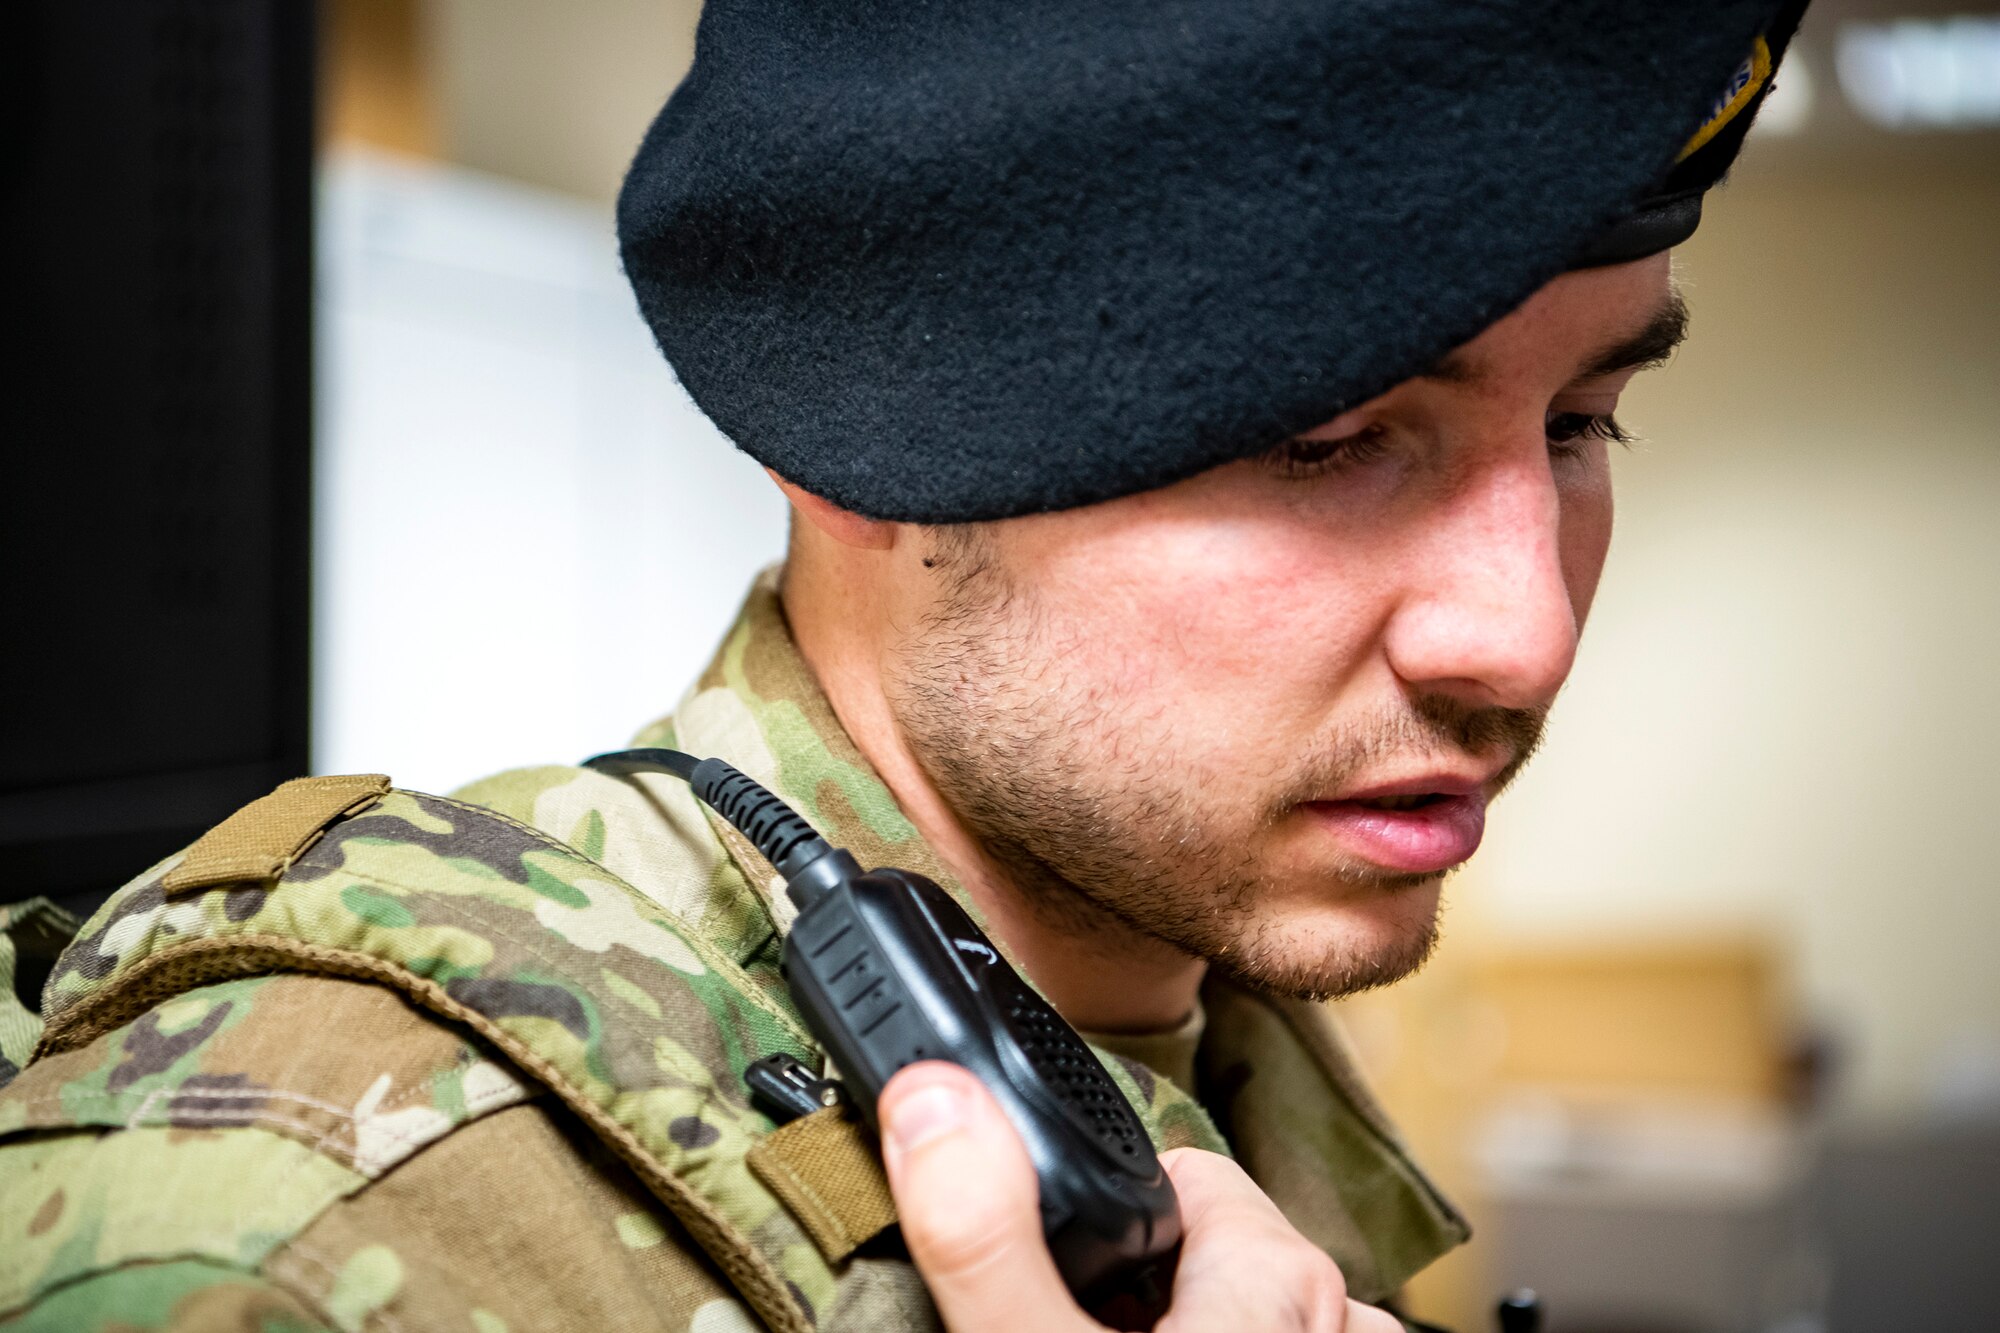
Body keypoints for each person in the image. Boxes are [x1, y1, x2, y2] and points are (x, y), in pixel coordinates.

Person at [0, 3, 1807, 1330]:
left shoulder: (1216, 1042)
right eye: (1327, 443)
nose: (1525, 633)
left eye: (1585, 424)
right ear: (873, 445)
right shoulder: (312, 1221)